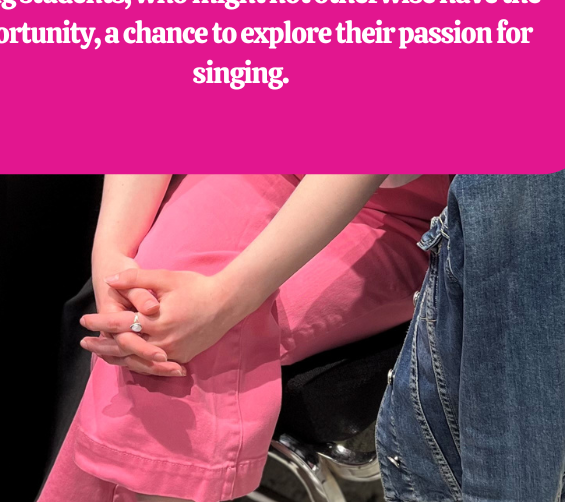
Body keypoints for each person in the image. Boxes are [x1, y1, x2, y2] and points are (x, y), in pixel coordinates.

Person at [37, 173, 450, 502]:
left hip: (398, 212)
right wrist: (111, 257)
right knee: (148, 309)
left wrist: (225, 302)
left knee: (192, 346)